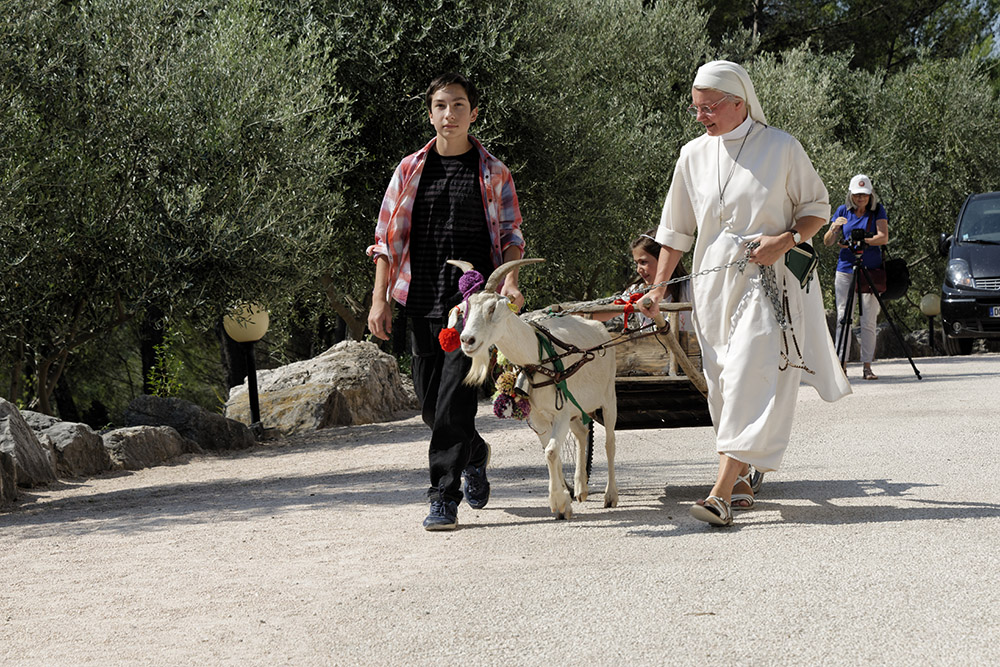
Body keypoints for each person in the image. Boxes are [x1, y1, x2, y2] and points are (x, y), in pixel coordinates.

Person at [639, 60, 851, 527]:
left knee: (748, 371)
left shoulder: (781, 147)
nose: (701, 117)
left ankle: (718, 493)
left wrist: (786, 240)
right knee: (721, 383)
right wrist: (656, 289)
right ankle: (738, 478)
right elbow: (674, 232)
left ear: (740, 102)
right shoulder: (691, 155)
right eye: (695, 109)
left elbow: (815, 209)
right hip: (713, 285)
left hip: (769, 282)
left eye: (710, 108)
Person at [366, 72, 525, 531]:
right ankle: (474, 451)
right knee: (430, 405)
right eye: (440, 105)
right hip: (420, 300)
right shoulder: (409, 170)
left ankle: (443, 496)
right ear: (430, 113)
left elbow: (512, 233)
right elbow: (386, 242)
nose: (449, 114)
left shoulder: (494, 172)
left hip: (474, 306)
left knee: (455, 398)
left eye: (458, 105)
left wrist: (509, 280)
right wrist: (380, 300)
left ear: (473, 114)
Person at [823, 174, 889, 380]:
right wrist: (835, 229)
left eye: (865, 195)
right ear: (851, 195)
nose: (861, 198)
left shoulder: (877, 211)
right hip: (846, 268)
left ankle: (867, 366)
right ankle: (840, 364)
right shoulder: (842, 211)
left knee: (868, 319)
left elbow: (883, 236)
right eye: (857, 195)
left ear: (870, 196)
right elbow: (827, 241)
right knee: (844, 317)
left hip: (870, 269)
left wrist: (864, 242)